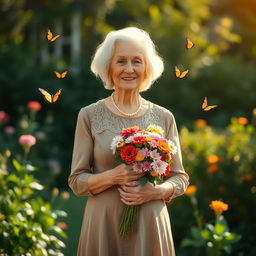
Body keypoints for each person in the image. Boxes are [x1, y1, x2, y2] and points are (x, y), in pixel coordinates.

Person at [68, 27, 189, 256]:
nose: (129, 69)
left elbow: (180, 178)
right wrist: (112, 176)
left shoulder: (164, 116)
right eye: (121, 61)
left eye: (137, 61)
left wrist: (154, 192)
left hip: (150, 226)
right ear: (109, 67)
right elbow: (77, 181)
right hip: (103, 224)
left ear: (147, 68)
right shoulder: (89, 115)